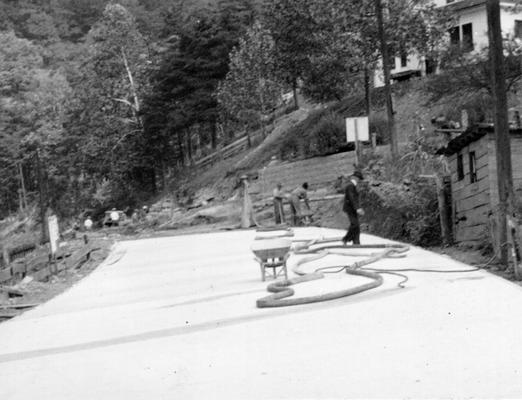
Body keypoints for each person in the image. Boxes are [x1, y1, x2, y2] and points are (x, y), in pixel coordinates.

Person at [342, 171, 364, 245]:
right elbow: (352, 198)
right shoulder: (350, 186)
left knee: (356, 225)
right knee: (355, 225)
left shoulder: (352, 186)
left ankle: (356, 242)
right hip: (350, 208)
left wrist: (358, 207)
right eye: (359, 179)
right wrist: (357, 208)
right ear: (356, 178)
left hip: (352, 208)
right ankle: (346, 239)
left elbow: (355, 198)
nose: (359, 181)